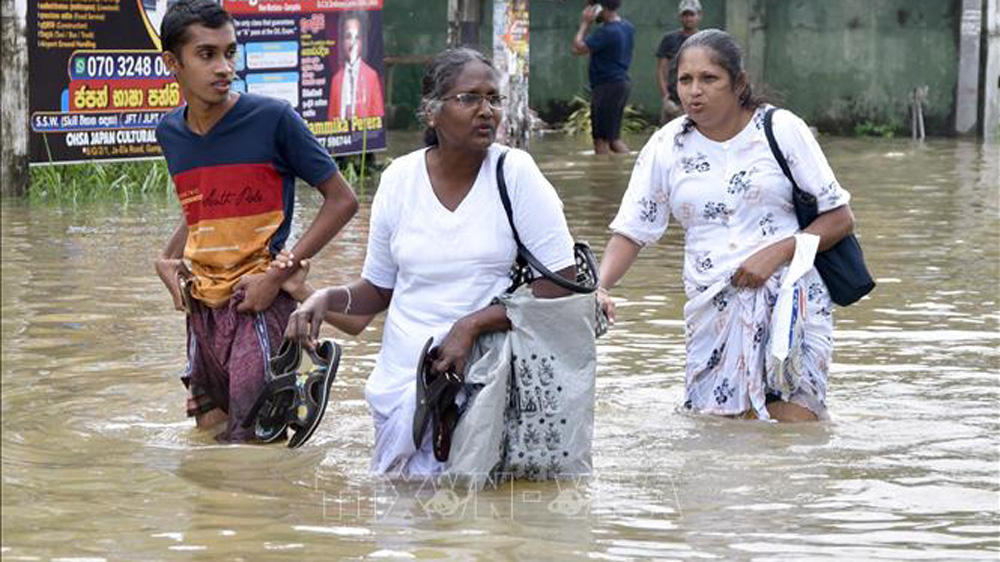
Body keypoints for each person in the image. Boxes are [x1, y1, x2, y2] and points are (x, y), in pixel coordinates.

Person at [285, 48, 576, 476]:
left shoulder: (515, 174)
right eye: (469, 98)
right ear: (431, 113)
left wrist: (470, 325)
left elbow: (560, 287)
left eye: (493, 99)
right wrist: (322, 299)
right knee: (399, 523)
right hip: (402, 386)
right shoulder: (399, 180)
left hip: (483, 382)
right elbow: (378, 291)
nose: (486, 111)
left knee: (474, 524)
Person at [597, 30, 857, 422]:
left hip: (790, 304)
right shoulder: (667, 146)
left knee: (794, 432)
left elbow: (839, 217)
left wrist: (776, 253)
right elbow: (633, 230)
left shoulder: (780, 130)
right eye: (685, 80)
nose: (694, 92)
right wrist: (599, 286)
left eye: (709, 79)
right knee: (720, 436)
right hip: (712, 306)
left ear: (739, 83)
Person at [153, 0, 359, 443]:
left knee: (253, 444)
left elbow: (342, 201)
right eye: (207, 55)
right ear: (173, 63)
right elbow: (202, 209)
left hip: (257, 305)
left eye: (230, 52)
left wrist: (277, 274)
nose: (224, 67)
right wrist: (165, 259)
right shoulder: (169, 133)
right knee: (211, 432)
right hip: (202, 309)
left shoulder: (273, 120)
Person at [571, 0, 634, 155]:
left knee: (601, 140)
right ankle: (627, 168)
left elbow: (577, 47)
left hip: (607, 86)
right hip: (620, 84)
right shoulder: (627, 27)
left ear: (599, 7)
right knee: (613, 139)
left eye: (590, 7)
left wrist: (585, 23)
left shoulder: (606, 32)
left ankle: (604, 178)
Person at [327, 12, 384, 121]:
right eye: (348, 37)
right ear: (342, 41)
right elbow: (331, 118)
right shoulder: (336, 80)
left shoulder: (371, 76)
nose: (352, 43)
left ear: (362, 41)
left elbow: (378, 118)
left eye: (356, 37)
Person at [656, 0, 701, 123]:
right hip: (674, 100)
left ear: (699, 16)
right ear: (680, 17)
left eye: (692, 15)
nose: (689, 19)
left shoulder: (705, 40)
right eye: (685, 15)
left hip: (696, 101)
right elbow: (661, 70)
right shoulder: (669, 39)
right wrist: (666, 98)